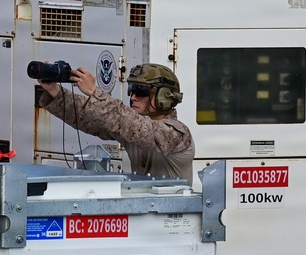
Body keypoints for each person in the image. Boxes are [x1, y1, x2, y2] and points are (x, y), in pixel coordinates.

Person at [39, 63, 195, 182]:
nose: (133, 97)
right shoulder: (131, 129)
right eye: (131, 90)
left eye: (140, 92)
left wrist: (95, 92)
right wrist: (55, 92)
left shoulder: (177, 134)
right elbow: (88, 117)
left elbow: (137, 128)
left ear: (163, 97)